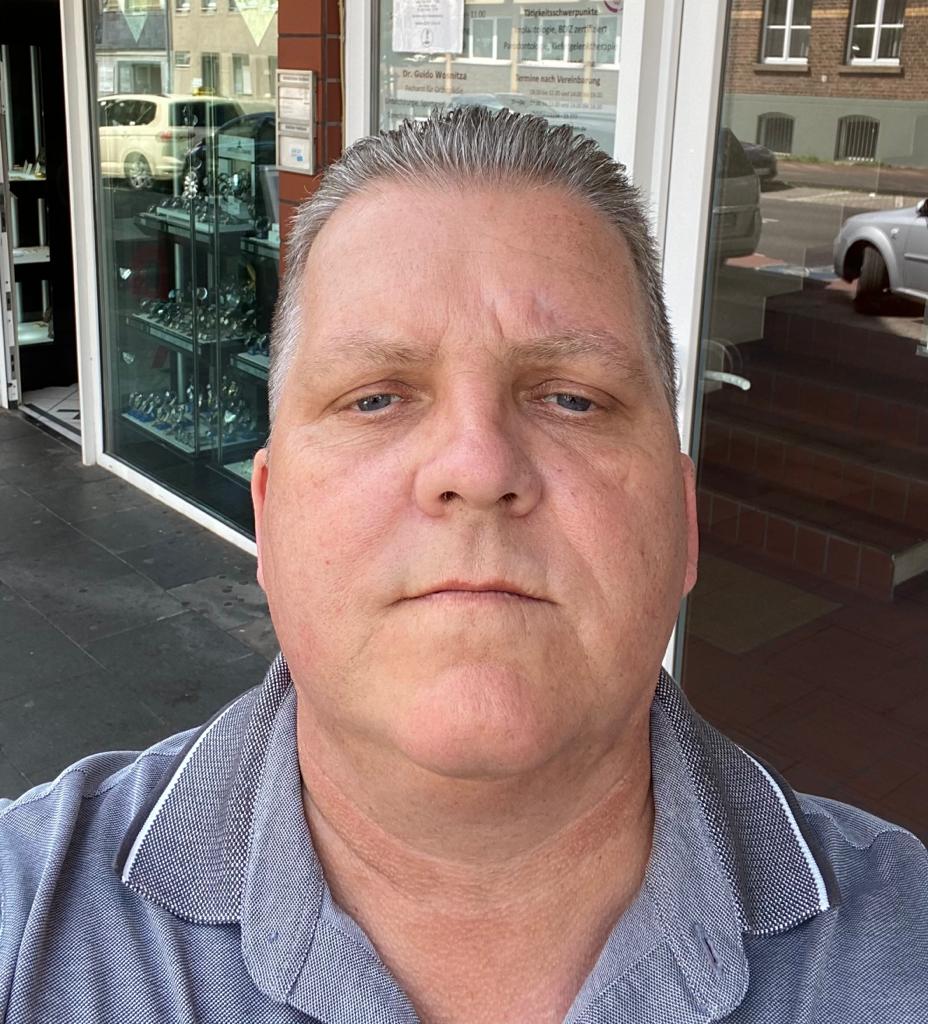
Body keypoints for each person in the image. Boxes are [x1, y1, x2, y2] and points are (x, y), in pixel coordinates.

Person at [1, 108, 926, 1024]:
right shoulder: (24, 921)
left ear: (683, 522)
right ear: (269, 516)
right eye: (375, 399)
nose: (478, 467)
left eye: (572, 399)